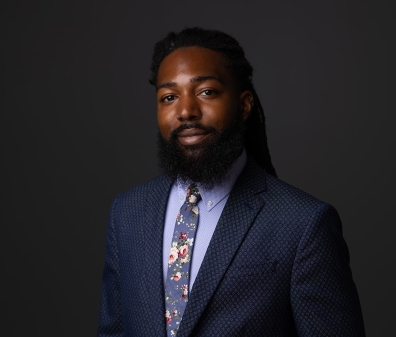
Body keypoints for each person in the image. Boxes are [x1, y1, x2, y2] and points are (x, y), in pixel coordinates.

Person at [97, 27, 365, 337]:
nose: (186, 111)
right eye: (169, 97)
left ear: (245, 104)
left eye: (206, 92)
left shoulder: (302, 224)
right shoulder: (127, 212)